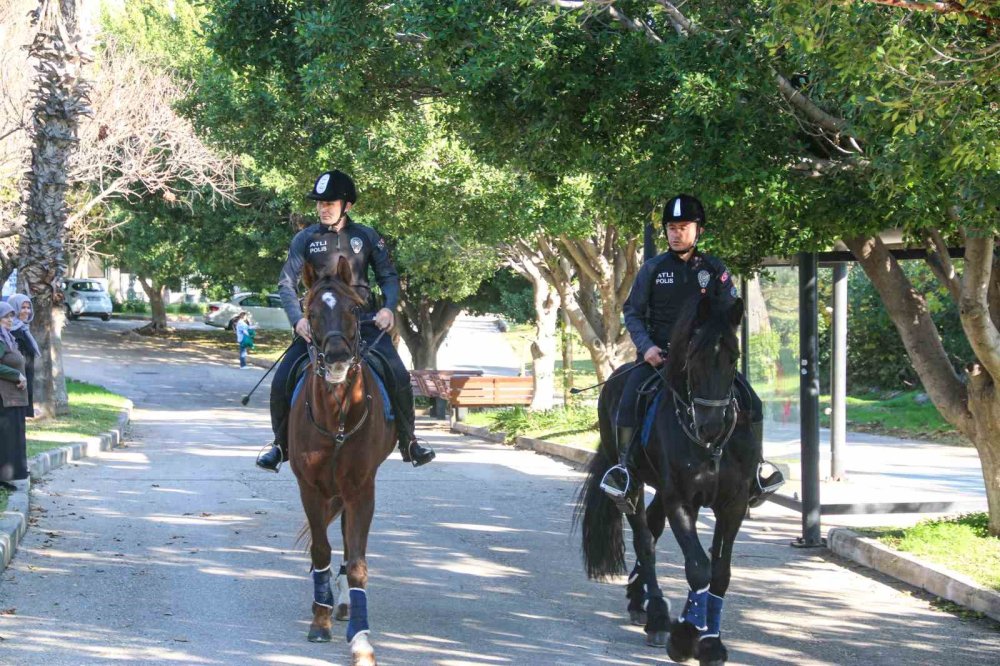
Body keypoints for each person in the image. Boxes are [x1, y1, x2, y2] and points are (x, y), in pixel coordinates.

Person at [601, 194, 784, 507]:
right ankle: (625, 472)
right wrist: (646, 348)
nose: (675, 233)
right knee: (629, 401)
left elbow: (729, 313)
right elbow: (632, 312)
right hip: (659, 358)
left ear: (698, 230)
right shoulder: (653, 270)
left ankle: (756, 471)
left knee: (751, 400)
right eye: (671, 227)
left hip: (705, 362)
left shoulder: (714, 270)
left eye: (683, 227)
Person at [256, 169, 435, 471]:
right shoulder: (306, 238)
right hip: (318, 328)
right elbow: (286, 283)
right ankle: (279, 445)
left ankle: (409, 441)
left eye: (330, 203)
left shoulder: (366, 236)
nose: (323, 208)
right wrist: (297, 319)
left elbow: (388, 276)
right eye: (320, 203)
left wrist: (389, 308)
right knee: (282, 379)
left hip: (362, 322)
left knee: (399, 375)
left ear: (347, 206)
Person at [0, 301, 28, 490]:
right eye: (6, 316)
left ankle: (7, 477)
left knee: (11, 438)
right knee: (4, 438)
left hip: (13, 397)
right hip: (4, 397)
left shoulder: (8, 338)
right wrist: (16, 374)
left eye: (11, 316)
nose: (10, 319)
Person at [7, 294, 39, 418]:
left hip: (25, 378)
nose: (26, 311)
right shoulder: (12, 331)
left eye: (28, 307)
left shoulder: (24, 328)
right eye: (23, 308)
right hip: (16, 380)